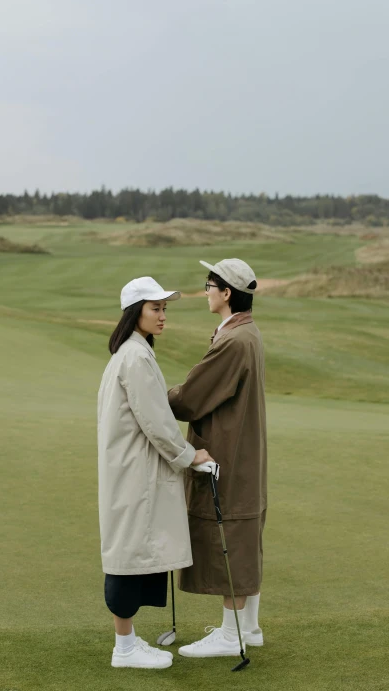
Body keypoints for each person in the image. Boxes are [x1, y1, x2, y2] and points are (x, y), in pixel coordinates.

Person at [97, 276, 213, 670]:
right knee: (127, 557)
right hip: (136, 475)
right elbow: (157, 423)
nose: (163, 316)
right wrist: (189, 455)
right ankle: (125, 648)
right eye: (155, 308)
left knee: (132, 553)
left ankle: (128, 643)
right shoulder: (134, 357)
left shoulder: (133, 353)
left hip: (134, 472)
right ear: (136, 313)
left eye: (165, 309)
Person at [168, 258, 267, 658]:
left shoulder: (234, 341)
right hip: (242, 452)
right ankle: (249, 627)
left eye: (210, 284)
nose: (205, 290)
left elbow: (191, 398)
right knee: (243, 535)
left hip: (229, 453)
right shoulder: (245, 333)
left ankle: (232, 635)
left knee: (233, 536)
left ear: (227, 293)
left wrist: (155, 393)